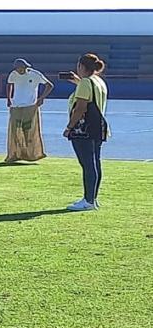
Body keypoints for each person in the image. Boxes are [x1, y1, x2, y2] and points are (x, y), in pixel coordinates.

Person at [64, 53, 109, 211]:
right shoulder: (98, 81)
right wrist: (77, 82)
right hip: (98, 126)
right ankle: (92, 197)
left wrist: (69, 126)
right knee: (95, 162)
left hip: (84, 128)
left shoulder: (85, 83)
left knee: (87, 164)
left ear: (82, 67)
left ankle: (88, 200)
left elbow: (81, 107)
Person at [5, 58, 53, 162]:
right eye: (17, 68)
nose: (19, 70)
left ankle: (33, 154)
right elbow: (9, 84)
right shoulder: (13, 74)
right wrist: (9, 98)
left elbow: (49, 85)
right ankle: (14, 154)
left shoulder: (35, 74)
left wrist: (41, 98)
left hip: (30, 105)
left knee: (29, 130)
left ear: (26, 67)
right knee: (15, 130)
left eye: (21, 68)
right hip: (16, 105)